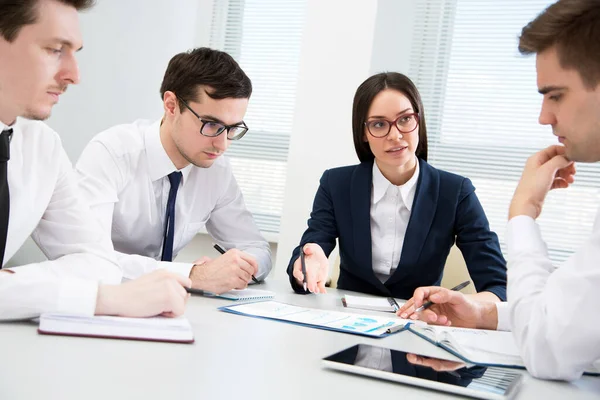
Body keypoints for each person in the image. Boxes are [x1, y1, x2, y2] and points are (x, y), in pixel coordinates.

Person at [398, 0, 600, 381]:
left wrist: (523, 212)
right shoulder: (338, 182)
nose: (544, 116)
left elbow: (550, 349)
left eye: (555, 95)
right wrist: (484, 314)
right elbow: (582, 324)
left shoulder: (453, 189)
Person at [0, 0, 191, 320]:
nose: (73, 75)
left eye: (75, 51)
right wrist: (97, 299)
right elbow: (97, 284)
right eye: (54, 49)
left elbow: (98, 262)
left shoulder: (42, 146)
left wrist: (14, 289)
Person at [286, 72, 507, 303]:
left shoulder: (456, 192)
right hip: (347, 319)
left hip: (420, 323)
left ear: (418, 121)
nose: (395, 135)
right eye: (379, 124)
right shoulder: (336, 184)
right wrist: (307, 263)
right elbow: (310, 250)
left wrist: (467, 305)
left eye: (405, 119)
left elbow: (496, 286)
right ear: (363, 132)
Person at [75, 47, 272, 294]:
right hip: (99, 300)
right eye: (212, 125)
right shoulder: (111, 153)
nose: (222, 145)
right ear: (171, 105)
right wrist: (193, 275)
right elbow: (88, 258)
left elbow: (257, 248)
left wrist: (238, 267)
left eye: (233, 128)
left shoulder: (216, 170)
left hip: (173, 308)